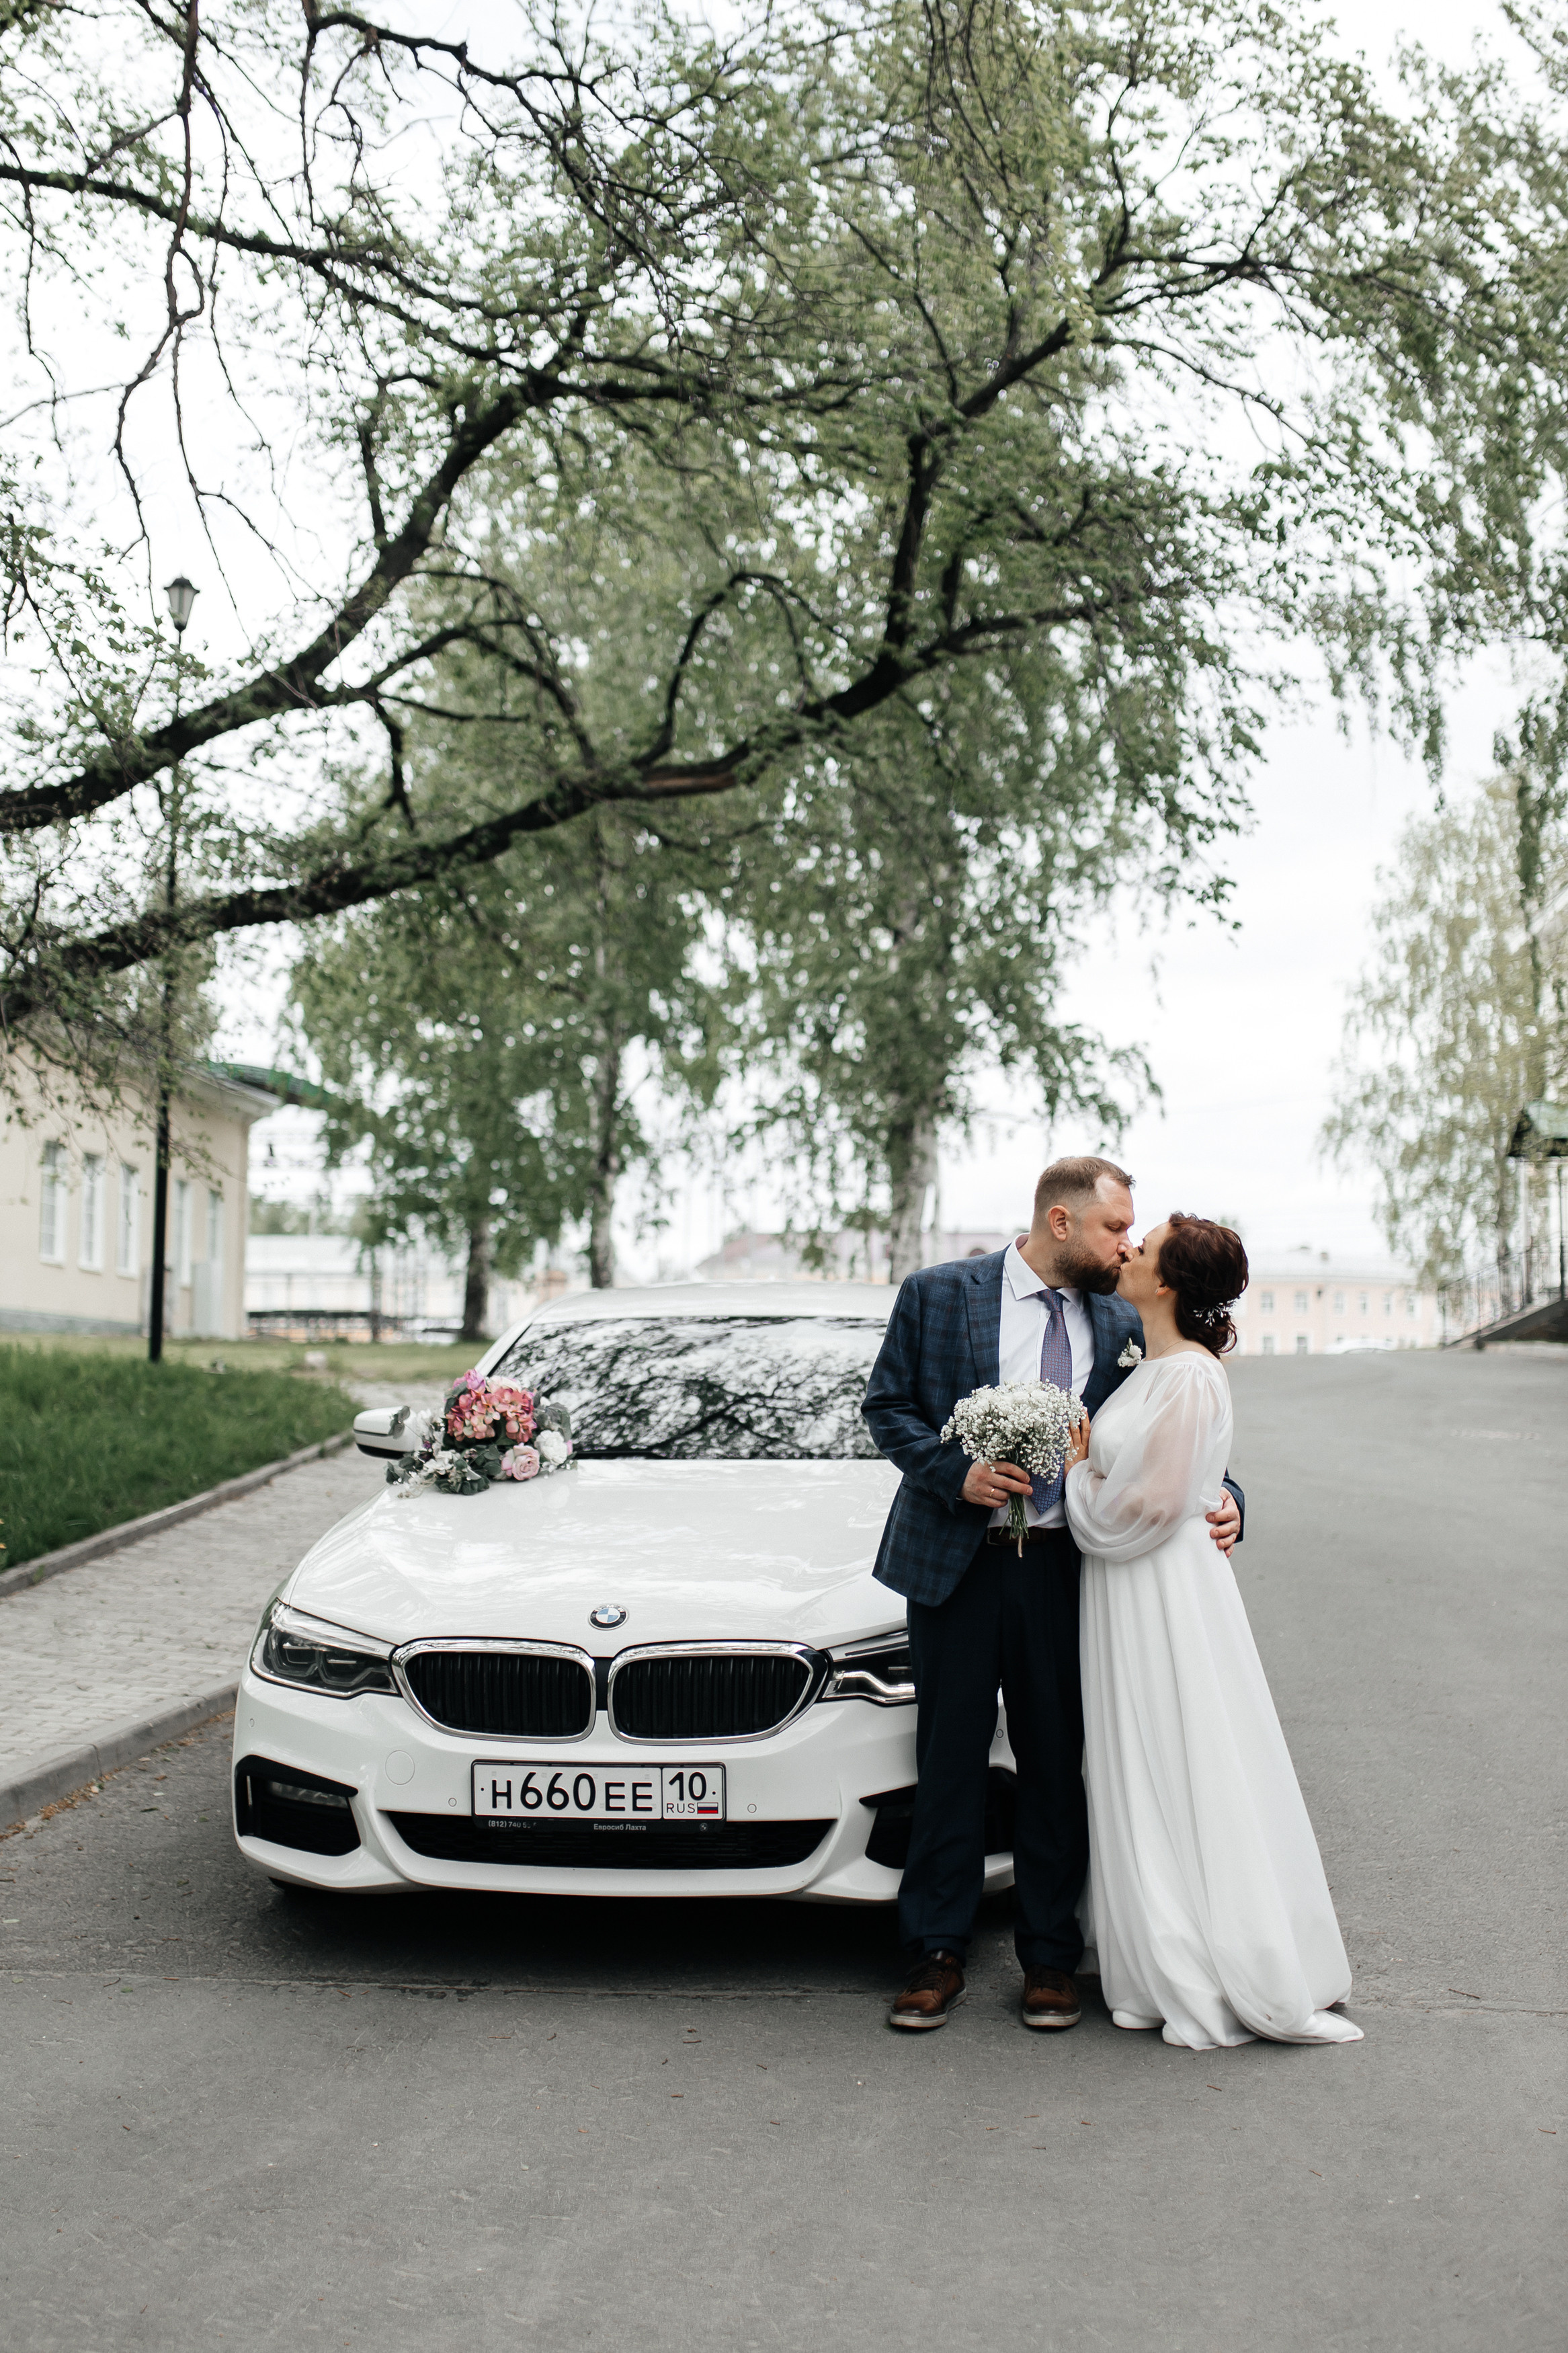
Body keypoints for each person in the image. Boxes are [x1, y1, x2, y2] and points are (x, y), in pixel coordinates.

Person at [862, 1157, 1243, 2032]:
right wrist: (952, 1474)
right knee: (948, 1759)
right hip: (953, 1565)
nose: (1126, 1244)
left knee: (1056, 1762)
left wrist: (1229, 1499)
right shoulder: (937, 1293)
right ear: (1061, 1222)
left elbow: (1177, 1429)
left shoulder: (1127, 1317)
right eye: (1116, 1228)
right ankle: (934, 1952)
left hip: (1074, 1570)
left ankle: (1048, 1957)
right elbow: (887, 1408)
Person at [1063, 1212, 1362, 2048]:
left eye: (1143, 1245)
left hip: (1162, 1587)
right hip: (1126, 1586)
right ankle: (1157, 1951)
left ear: (1163, 1284)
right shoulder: (1150, 1362)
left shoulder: (1190, 1376)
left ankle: (1224, 1956)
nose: (1126, 1249)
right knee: (1135, 1756)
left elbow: (1152, 1504)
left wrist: (1077, 1477)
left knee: (1186, 1749)